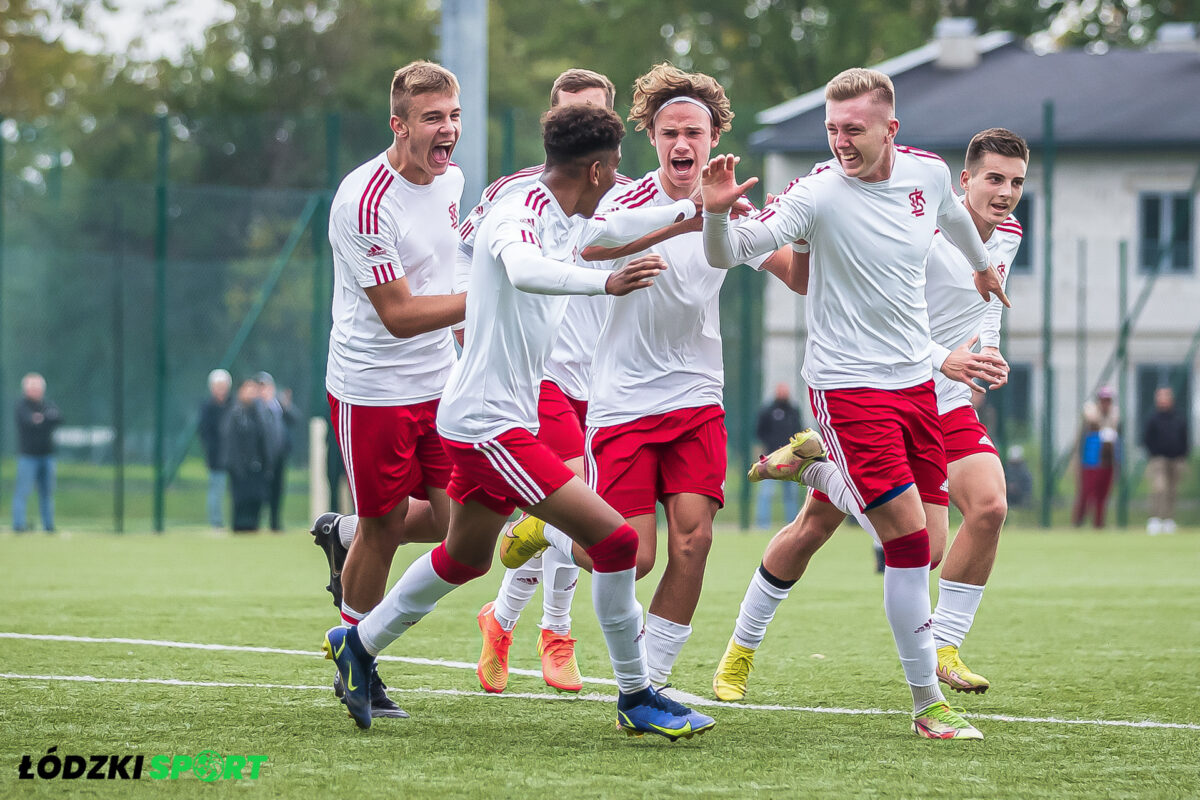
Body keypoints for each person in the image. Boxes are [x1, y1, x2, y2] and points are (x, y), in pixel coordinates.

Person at [322, 102, 715, 740]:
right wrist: (605, 287)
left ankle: (357, 646)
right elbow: (523, 268)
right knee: (617, 545)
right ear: (593, 169)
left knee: (465, 557)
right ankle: (637, 694)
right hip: (489, 425)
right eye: (614, 172)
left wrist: (691, 213)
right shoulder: (518, 209)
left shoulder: (564, 209)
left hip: (496, 417)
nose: (618, 184)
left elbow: (604, 237)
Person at [701, 69, 1008, 739]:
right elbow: (731, 254)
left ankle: (818, 468)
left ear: (890, 130)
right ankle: (928, 704)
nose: (841, 142)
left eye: (854, 130)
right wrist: (719, 212)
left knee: (918, 545)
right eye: (832, 130)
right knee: (906, 544)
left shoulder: (926, 176)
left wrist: (982, 263)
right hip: (846, 387)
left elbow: (955, 218)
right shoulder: (816, 194)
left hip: (914, 388)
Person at [501, 63, 783, 699]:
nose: (683, 143)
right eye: (669, 131)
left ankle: (649, 687)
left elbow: (792, 267)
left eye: (695, 131)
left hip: (697, 398)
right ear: (651, 138)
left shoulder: (737, 203)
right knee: (634, 554)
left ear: (715, 138)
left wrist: (821, 229)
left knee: (696, 538)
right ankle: (547, 526)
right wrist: (686, 214)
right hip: (623, 401)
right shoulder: (622, 199)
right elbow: (588, 247)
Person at [460, 68, 629, 695]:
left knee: (558, 516)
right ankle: (557, 635)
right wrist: (469, 326)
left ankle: (500, 619)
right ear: (553, 125)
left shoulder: (620, 190)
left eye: (594, 113)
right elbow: (470, 256)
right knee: (579, 500)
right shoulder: (515, 195)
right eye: (570, 114)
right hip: (540, 373)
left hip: (607, 378)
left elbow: (647, 233)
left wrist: (697, 216)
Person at [310, 60, 468, 720]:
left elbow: (447, 275)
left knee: (462, 528)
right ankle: (361, 658)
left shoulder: (453, 179)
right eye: (433, 118)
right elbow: (400, 316)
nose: (448, 130)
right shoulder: (363, 201)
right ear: (398, 125)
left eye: (455, 116)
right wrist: (487, 302)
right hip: (370, 388)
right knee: (384, 527)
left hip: (439, 382)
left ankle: (344, 535)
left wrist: (470, 354)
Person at [13, 373, 61, 533]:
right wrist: (42, 419)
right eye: (32, 388)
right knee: (23, 491)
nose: (35, 391)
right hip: (27, 456)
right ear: (26, 389)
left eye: (37, 388)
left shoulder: (47, 404)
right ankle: (18, 525)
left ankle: (48, 526)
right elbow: (29, 422)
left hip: (46, 455)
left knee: (47, 493)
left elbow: (57, 418)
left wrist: (42, 418)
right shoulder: (21, 406)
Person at [223, 378, 271, 532]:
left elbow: (264, 440)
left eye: (253, 390)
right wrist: (236, 466)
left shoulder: (260, 413)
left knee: (256, 500)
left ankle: (253, 527)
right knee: (241, 500)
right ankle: (239, 528)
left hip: (257, 467)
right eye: (248, 389)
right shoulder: (235, 413)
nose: (251, 393)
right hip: (240, 468)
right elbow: (231, 442)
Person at [753, 384, 803, 527]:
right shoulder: (768, 410)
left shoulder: (793, 411)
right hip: (771, 457)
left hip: (790, 459)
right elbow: (759, 432)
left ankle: (793, 524)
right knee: (766, 493)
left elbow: (799, 431)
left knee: (791, 494)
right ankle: (762, 525)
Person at [1143, 385, 1189, 534]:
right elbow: (1147, 439)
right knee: (1159, 488)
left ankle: (1169, 520)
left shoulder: (1178, 418)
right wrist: (1154, 453)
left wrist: (1182, 454)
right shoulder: (1153, 418)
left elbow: (1185, 438)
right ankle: (1156, 519)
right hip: (1159, 460)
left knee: (1172, 490)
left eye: (1166, 397)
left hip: (1176, 459)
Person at [1073, 386, 1120, 529]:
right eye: (1103, 400)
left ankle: (1099, 523)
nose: (1106, 403)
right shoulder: (1091, 415)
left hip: (1107, 462)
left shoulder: (1114, 416)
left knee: (1102, 495)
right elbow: (1083, 435)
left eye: (1108, 400)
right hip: (1091, 461)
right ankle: (1078, 522)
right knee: (1086, 493)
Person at [256, 372, 296, 532]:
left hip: (279, 456)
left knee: (277, 491)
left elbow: (295, 419)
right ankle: (256, 523)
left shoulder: (278, 405)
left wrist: (287, 405)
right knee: (261, 491)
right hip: (262, 457)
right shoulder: (257, 407)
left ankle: (275, 522)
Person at [199, 369, 232, 529]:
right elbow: (205, 433)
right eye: (217, 386)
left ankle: (237, 521)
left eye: (223, 385)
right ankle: (216, 522)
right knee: (216, 490)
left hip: (233, 457)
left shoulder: (233, 405)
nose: (221, 389)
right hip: (216, 457)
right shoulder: (207, 408)